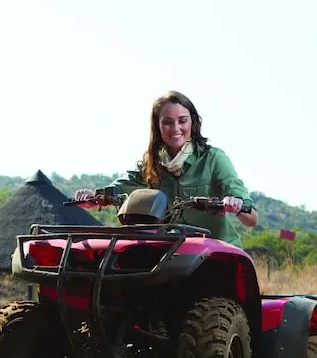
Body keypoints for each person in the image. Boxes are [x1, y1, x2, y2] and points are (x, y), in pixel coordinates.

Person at [74, 91, 258, 248]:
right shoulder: (151, 163)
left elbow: (252, 219)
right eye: (168, 122)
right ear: (157, 125)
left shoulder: (214, 159)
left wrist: (236, 205)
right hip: (172, 252)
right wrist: (93, 197)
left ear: (193, 123)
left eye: (182, 121)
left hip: (215, 251)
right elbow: (116, 188)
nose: (176, 128)